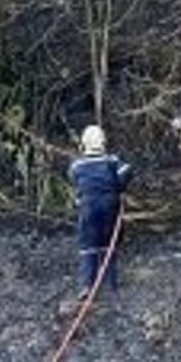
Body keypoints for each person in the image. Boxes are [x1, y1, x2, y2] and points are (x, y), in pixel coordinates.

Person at [68, 125, 133, 298]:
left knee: (88, 246)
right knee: (109, 245)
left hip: (87, 208)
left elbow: (74, 181)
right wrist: (120, 187)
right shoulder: (111, 161)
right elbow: (126, 170)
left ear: (84, 144)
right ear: (103, 142)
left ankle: (87, 286)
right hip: (110, 206)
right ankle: (111, 286)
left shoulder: (77, 165)